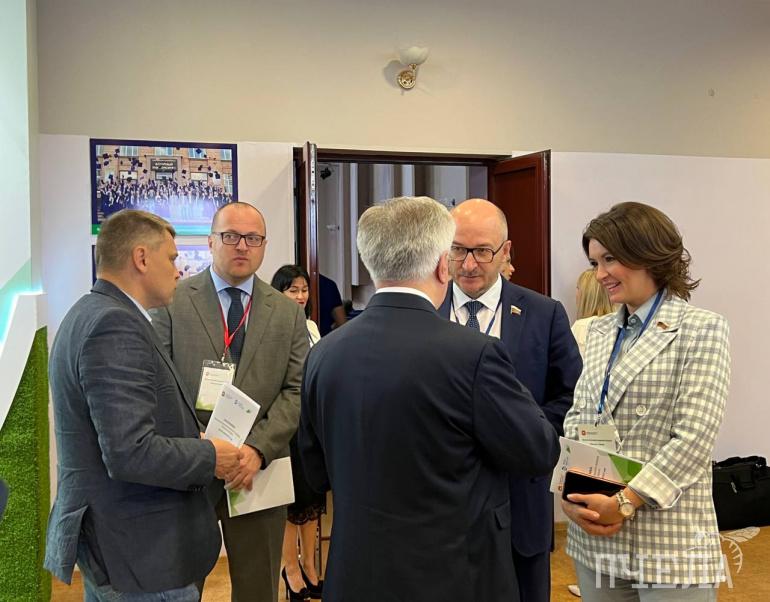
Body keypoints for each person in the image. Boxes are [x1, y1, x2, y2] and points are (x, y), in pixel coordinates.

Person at [298, 196, 559, 602]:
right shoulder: (475, 353)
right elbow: (538, 451)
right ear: (443, 265)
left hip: (356, 573)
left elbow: (315, 474)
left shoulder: (323, 353)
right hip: (454, 575)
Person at [44, 209, 241, 600]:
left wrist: (189, 434)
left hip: (124, 544)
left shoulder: (91, 313)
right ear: (141, 258)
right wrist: (209, 456)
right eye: (171, 258)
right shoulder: (114, 325)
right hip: (142, 552)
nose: (178, 270)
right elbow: (129, 452)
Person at [561, 202, 731, 600]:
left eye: (610, 259)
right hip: (596, 533)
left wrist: (625, 502)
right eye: (594, 262)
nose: (599, 274)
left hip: (667, 538)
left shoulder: (701, 329)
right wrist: (570, 494)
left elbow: (694, 439)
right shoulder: (599, 331)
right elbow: (578, 417)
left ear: (648, 254)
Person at [152, 202, 309, 602]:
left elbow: (296, 390)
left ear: (264, 246)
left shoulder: (287, 312)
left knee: (258, 589)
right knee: (180, 589)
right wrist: (201, 446)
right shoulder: (172, 300)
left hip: (257, 472)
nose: (242, 246)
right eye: (230, 236)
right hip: (190, 467)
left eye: (252, 238)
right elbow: (157, 384)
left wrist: (257, 449)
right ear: (210, 242)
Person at [438, 198, 582, 602]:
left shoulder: (543, 314)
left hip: (521, 501)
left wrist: (523, 434)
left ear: (506, 252)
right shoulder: (426, 311)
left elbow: (572, 395)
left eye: (482, 252)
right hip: (443, 508)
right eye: (458, 250)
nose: (468, 265)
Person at [270, 265, 325, 601]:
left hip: (311, 424)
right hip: (286, 426)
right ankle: (290, 569)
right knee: (291, 504)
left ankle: (310, 567)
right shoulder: (272, 328)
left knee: (313, 499)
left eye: (304, 290)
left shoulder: (311, 326)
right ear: (279, 293)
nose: (301, 296)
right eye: (293, 290)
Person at [571, 267, 616, 357]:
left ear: (586, 294)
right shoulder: (617, 324)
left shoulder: (581, 327)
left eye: (578, 288)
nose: (576, 293)